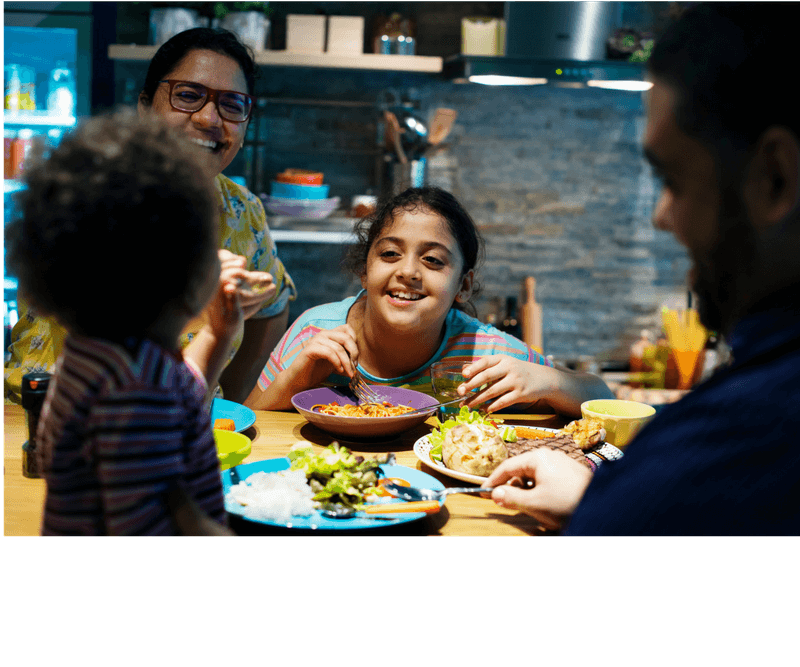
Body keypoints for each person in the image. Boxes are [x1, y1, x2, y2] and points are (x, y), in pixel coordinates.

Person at [482, 2, 800, 536]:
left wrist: (624, 503)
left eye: (672, 180)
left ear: (774, 178)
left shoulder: (746, 434)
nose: (661, 218)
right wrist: (602, 498)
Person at [3, 27, 296, 405]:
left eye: (232, 104)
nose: (209, 118)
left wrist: (232, 400)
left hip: (183, 421)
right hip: (56, 417)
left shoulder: (241, 209)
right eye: (188, 96)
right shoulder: (88, 190)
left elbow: (272, 303)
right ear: (144, 106)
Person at [4, 110, 252, 535]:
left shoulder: (105, 355)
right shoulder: (133, 390)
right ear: (178, 273)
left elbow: (180, 395)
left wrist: (217, 331)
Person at [247, 186, 614, 414]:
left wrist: (544, 379)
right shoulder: (317, 331)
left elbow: (602, 397)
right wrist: (296, 378)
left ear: (463, 286)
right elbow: (247, 419)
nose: (408, 271)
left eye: (433, 260)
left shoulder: (482, 352)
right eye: (389, 254)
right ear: (364, 270)